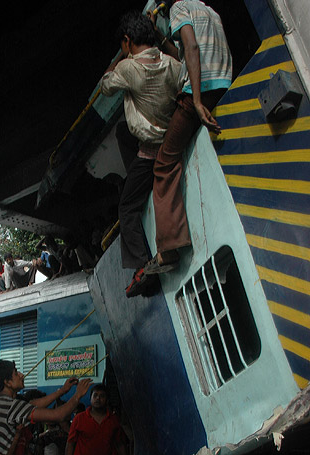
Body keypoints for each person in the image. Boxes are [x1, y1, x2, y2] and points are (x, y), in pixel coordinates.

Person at [144, 0, 232, 275]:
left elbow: (192, 47)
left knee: (163, 163)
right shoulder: (208, 10)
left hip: (199, 91)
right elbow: (184, 54)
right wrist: (159, 36)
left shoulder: (178, 8)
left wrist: (195, 100)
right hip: (221, 84)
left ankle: (169, 249)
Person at [100, 11, 181, 297]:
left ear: (127, 40)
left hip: (151, 153)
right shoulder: (171, 64)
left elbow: (105, 85)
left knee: (127, 207)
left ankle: (141, 268)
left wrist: (120, 57)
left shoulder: (128, 68)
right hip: (172, 140)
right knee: (123, 132)